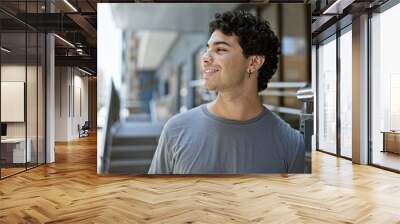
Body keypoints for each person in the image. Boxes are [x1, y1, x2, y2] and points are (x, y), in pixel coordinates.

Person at [148, 10, 305, 174]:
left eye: (220, 50)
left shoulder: (291, 144)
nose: (205, 58)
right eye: (207, 49)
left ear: (254, 62)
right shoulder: (176, 130)